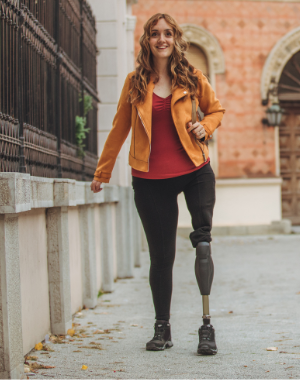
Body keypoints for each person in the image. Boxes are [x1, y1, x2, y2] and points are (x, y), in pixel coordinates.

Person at [90, 13, 225, 355]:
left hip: (195, 170)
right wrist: (102, 172)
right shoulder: (135, 82)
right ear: (147, 40)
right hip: (150, 180)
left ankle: (206, 328)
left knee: (203, 244)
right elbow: (119, 128)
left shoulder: (192, 77)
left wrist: (204, 128)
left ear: (176, 39)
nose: (161, 39)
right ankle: (161, 327)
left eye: (167, 33)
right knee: (161, 258)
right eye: (155, 34)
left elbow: (216, 111)